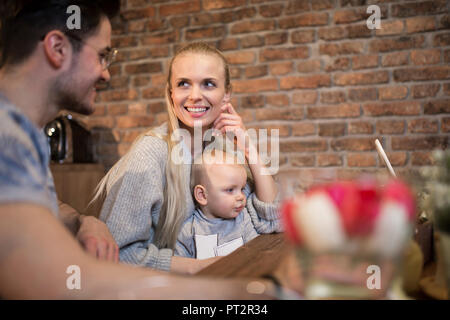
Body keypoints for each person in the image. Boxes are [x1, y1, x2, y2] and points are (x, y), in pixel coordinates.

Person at [0, 0, 281, 299]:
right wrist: (237, 293)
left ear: (227, 94)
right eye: (103, 56)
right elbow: (52, 278)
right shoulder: (10, 135)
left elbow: (40, 210)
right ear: (57, 48)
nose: (107, 73)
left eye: (209, 84)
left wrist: (83, 221)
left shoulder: (25, 134)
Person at [94, 42, 280, 274]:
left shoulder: (223, 148)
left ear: (226, 95)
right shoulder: (150, 152)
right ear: (171, 94)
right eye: (183, 84)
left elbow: (271, 221)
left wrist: (249, 148)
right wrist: (198, 267)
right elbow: (118, 254)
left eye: (208, 84)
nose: (194, 96)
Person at [175, 147, 282, 259]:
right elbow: (178, 271)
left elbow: (257, 253)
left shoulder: (243, 219)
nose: (241, 196)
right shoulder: (188, 230)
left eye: (242, 189)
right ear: (202, 195)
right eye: (230, 190)